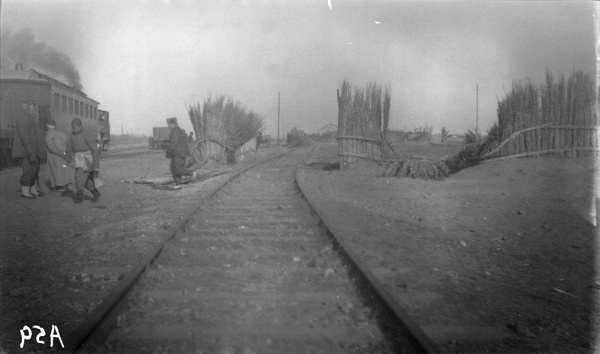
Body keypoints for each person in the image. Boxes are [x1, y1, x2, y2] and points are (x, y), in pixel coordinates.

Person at [13, 98, 46, 199]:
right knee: (29, 170)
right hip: (27, 152)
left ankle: (32, 189)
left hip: (33, 151)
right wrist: (31, 153)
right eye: (32, 107)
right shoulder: (23, 119)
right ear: (26, 108)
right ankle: (25, 191)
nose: (34, 109)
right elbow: (25, 138)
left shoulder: (30, 118)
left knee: (35, 170)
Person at [65, 118, 101, 203]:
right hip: (78, 159)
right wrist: (66, 161)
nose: (74, 129)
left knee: (79, 177)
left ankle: (79, 196)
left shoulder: (86, 134)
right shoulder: (72, 136)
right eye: (72, 128)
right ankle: (96, 194)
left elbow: (94, 150)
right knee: (86, 180)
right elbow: (69, 148)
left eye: (75, 128)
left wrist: (96, 166)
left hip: (86, 160)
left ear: (80, 126)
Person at [45, 119, 73, 193]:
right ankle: (64, 185)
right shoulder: (61, 133)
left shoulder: (49, 134)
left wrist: (61, 153)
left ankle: (55, 186)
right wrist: (65, 153)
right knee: (62, 170)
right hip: (63, 155)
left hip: (53, 155)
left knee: (53, 171)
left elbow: (51, 147)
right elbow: (67, 143)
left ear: (48, 126)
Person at [165, 117, 194, 189]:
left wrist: (169, 152)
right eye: (168, 124)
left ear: (174, 124)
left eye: (170, 124)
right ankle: (178, 184)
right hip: (178, 152)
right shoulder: (176, 130)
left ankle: (192, 173)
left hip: (180, 153)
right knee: (173, 168)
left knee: (178, 169)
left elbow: (173, 144)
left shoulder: (176, 131)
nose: (168, 126)